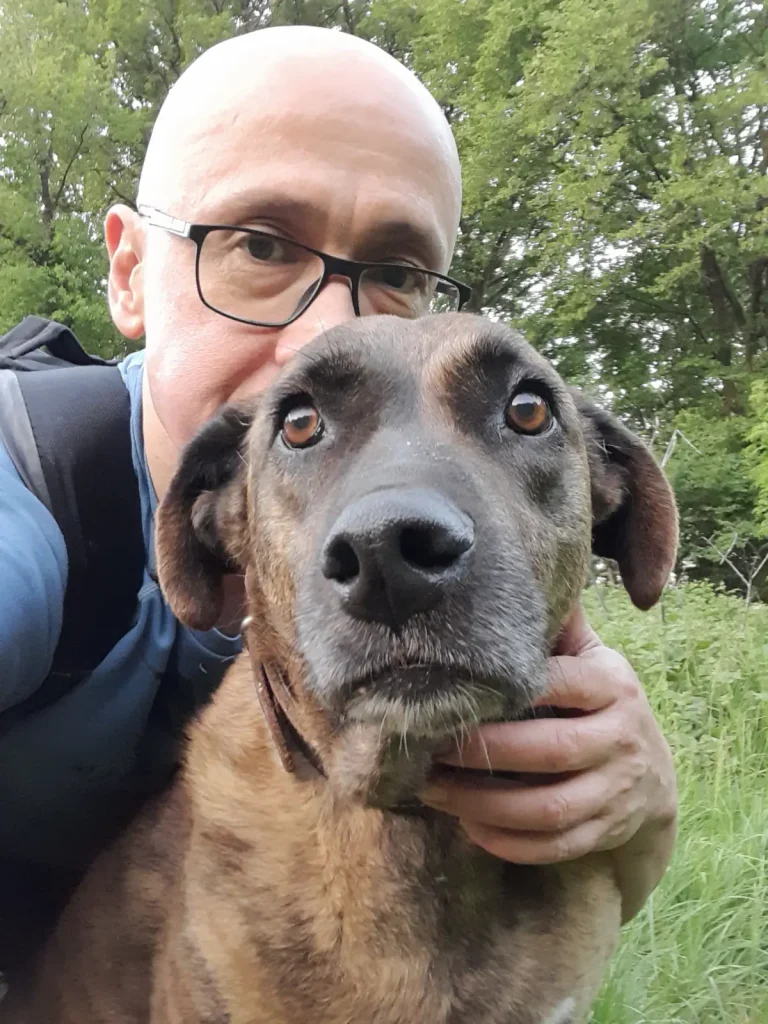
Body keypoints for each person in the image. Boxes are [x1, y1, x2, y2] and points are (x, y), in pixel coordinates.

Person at [0, 25, 676, 958]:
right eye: (260, 245)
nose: (326, 333)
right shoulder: (25, 483)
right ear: (129, 273)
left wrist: (628, 826)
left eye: (397, 274)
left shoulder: (453, 572)